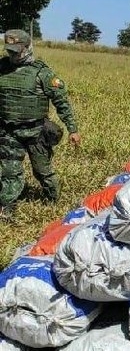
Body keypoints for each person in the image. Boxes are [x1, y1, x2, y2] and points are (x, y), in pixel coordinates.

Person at [0, 29, 81, 220]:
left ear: (28, 47)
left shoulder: (42, 73)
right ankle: (7, 208)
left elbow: (61, 102)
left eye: (16, 50)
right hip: (9, 132)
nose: (12, 55)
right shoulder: (2, 67)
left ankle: (53, 201)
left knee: (42, 171)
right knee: (9, 172)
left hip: (36, 131)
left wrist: (73, 129)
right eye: (9, 50)